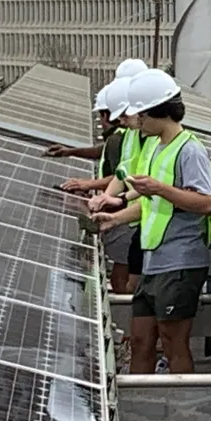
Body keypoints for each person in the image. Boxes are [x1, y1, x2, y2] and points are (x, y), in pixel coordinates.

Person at [92, 68, 211, 421]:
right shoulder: (151, 147)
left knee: (174, 342)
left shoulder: (190, 149)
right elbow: (149, 204)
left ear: (158, 112)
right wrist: (115, 217)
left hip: (180, 261)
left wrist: (160, 189)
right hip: (154, 259)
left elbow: (205, 202)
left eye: (141, 116)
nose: (136, 123)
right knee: (142, 337)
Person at [60, 83, 131, 292]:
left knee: (123, 276)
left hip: (125, 214)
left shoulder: (120, 138)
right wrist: (70, 151)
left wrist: (89, 185)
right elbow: (117, 167)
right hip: (121, 210)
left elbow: (124, 175)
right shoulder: (120, 138)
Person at [88, 76, 151, 292]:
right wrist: (108, 196)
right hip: (139, 218)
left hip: (154, 224)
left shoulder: (157, 138)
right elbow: (124, 171)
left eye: (124, 116)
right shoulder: (133, 134)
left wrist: (118, 203)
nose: (121, 122)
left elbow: (154, 186)